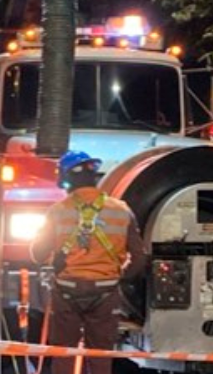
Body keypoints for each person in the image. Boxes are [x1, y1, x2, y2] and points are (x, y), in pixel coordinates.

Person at [31, 151, 147, 374]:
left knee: (63, 354)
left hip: (66, 291)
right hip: (105, 292)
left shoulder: (57, 211)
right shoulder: (122, 211)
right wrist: (120, 276)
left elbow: (38, 254)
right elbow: (139, 258)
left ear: (65, 179)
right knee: (101, 355)